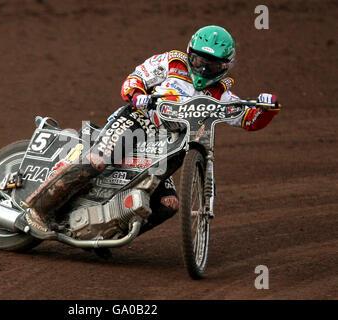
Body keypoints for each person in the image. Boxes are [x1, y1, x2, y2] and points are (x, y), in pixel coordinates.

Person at [17, 25, 280, 239]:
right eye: (198, 60)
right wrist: (139, 95)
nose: (201, 68)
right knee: (97, 160)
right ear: (190, 53)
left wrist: (268, 107)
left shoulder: (222, 95)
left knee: (168, 204)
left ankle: (106, 232)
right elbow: (134, 79)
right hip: (139, 122)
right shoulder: (171, 62)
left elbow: (249, 120)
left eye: (210, 65)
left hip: (168, 144)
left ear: (224, 66)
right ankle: (37, 212)